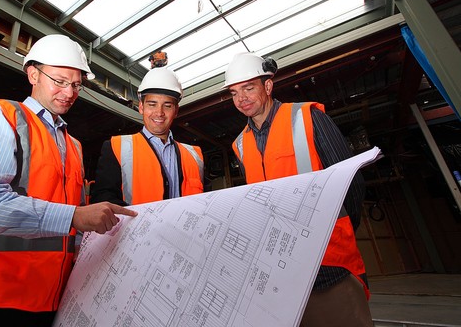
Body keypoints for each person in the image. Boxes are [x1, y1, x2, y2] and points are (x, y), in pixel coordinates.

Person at [0, 34, 137, 327]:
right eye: (59, 80)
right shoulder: (0, 118)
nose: (69, 92)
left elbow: (71, 227)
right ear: (33, 74)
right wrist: (75, 216)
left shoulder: (74, 146)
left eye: (76, 84)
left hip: (45, 300)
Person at [224, 52, 372, 327]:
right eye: (234, 93)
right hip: (283, 271)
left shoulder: (308, 117)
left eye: (248, 88)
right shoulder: (240, 145)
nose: (241, 98)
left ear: (267, 86)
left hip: (330, 265)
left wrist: (341, 230)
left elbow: (350, 182)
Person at [90, 67, 204, 206]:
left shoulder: (194, 156)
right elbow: (103, 199)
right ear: (141, 107)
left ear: (175, 111)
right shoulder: (117, 147)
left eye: (167, 106)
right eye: (152, 104)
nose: (159, 113)